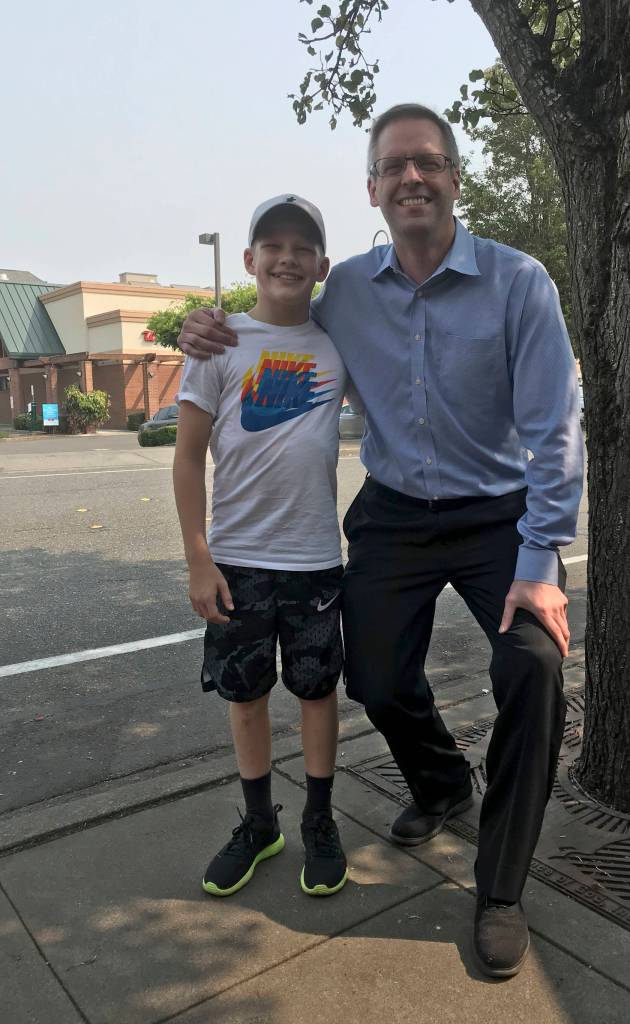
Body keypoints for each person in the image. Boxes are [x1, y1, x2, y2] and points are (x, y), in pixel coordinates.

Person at [178, 104, 584, 977]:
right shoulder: (347, 291)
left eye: (428, 162)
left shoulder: (521, 283)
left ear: (453, 180)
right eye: (394, 165)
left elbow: (555, 430)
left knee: (534, 667)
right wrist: (201, 328)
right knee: (373, 673)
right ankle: (442, 782)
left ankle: (501, 886)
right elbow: (274, 313)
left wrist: (543, 560)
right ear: (373, 188)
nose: (412, 177)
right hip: (396, 511)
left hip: (499, 513)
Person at [173, 194, 350, 901]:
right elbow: (187, 459)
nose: (286, 257)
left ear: (321, 266)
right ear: (249, 261)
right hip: (238, 562)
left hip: (314, 560)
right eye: (271, 245)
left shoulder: (339, 345)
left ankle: (319, 820)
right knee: (245, 697)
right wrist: (198, 557)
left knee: (316, 691)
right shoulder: (218, 345)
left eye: (301, 247)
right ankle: (258, 823)